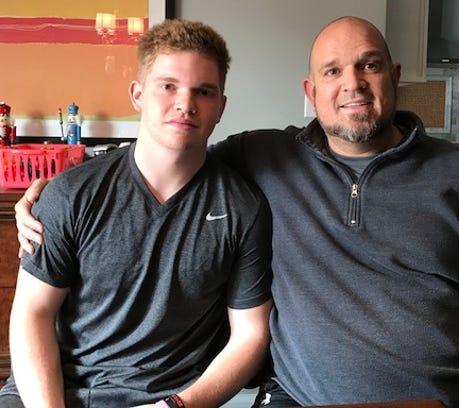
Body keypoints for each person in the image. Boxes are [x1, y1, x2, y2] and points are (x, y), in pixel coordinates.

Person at [14, 16, 459, 408]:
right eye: (333, 71)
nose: (352, 83)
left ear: (394, 76)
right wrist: (56, 188)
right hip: (302, 399)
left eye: (369, 65)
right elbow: (170, 160)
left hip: (457, 400)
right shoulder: (266, 158)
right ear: (311, 93)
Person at [1, 18, 273, 408]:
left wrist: (176, 406)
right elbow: (33, 315)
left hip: (168, 401)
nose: (185, 103)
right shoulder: (70, 194)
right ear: (138, 94)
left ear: (221, 107)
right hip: (51, 391)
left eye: (204, 91)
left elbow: (250, 335)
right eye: (168, 86)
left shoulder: (242, 208)